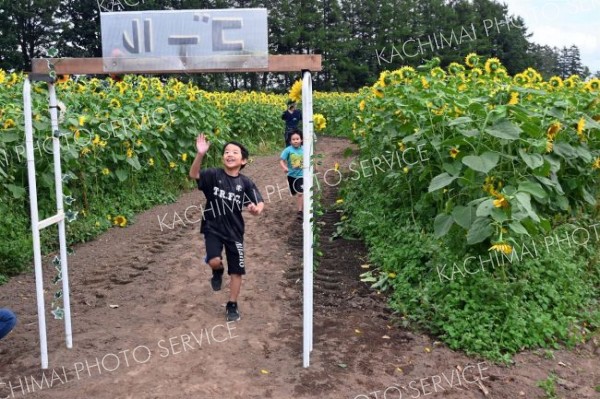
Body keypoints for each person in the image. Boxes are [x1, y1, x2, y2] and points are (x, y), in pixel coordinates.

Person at [189, 134, 264, 322]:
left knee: (237, 270)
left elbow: (259, 202)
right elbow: (194, 174)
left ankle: (232, 304)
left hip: (235, 232)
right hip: (212, 227)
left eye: (235, 152)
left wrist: (256, 209)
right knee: (213, 260)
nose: (229, 155)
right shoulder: (214, 175)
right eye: (227, 152)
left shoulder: (245, 182)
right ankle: (217, 270)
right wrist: (200, 154)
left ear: (243, 160)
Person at [279, 129, 304, 220]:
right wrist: (285, 167)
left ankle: (300, 211)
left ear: (301, 139)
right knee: (293, 192)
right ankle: (293, 191)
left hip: (302, 175)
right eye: (293, 139)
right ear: (290, 141)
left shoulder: (305, 149)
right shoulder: (288, 150)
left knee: (300, 193)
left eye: (297, 139)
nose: (296, 141)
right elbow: (281, 161)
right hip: (291, 175)